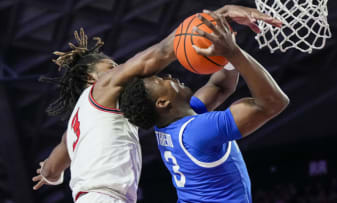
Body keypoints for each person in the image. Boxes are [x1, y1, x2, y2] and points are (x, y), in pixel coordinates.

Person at [32, 5, 282, 203]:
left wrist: (49, 174)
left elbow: (58, 157)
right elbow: (163, 51)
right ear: (92, 78)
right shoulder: (105, 87)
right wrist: (221, 15)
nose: (121, 71)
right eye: (112, 68)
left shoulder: (81, 118)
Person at [120, 10, 289, 203]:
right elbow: (273, 103)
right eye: (162, 80)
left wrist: (224, 42)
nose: (169, 77)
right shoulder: (196, 132)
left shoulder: (172, 123)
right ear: (162, 102)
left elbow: (220, 86)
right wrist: (233, 53)